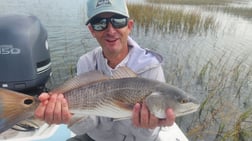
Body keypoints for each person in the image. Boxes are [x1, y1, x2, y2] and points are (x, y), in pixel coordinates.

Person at [35, 0, 175, 140]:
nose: (110, 30)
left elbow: (148, 136)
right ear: (92, 30)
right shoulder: (86, 62)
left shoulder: (151, 65)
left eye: (118, 21)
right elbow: (87, 127)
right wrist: (69, 117)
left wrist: (148, 126)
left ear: (129, 26)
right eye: (100, 23)